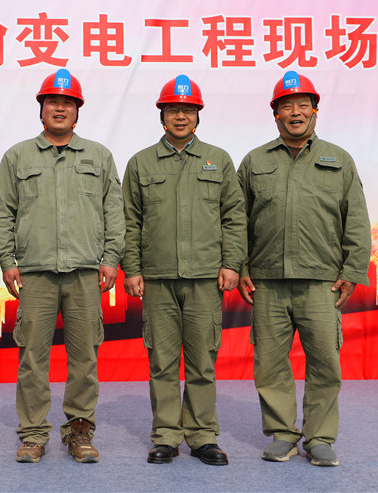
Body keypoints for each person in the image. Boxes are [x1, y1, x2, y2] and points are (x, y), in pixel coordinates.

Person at [237, 71, 371, 467]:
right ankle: (283, 434)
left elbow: (356, 218)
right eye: (286, 106)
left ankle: (320, 438)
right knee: (270, 364)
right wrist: (240, 266)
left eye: (302, 105)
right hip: (268, 282)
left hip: (321, 281)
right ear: (275, 113)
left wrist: (353, 268)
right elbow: (237, 220)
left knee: (325, 363)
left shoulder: (339, 160)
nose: (294, 112)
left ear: (314, 111)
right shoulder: (255, 161)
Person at [0, 69, 125, 463]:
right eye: (53, 102)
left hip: (85, 272)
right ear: (42, 109)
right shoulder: (18, 156)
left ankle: (79, 432)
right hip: (35, 273)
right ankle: (33, 434)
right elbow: (2, 213)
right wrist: (7, 260)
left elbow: (113, 211)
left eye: (68, 103)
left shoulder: (98, 156)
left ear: (78, 111)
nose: (60, 108)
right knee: (32, 359)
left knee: (85, 358)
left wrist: (111, 258)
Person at [122, 75, 246, 466]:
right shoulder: (141, 162)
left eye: (187, 110)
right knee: (162, 362)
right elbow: (130, 221)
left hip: (205, 279)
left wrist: (231, 263)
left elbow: (233, 217)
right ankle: (165, 436)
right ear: (162, 116)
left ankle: (203, 436)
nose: (180, 116)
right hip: (157, 279)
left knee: (202, 362)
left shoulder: (218, 160)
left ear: (197, 115)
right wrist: (132, 269)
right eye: (173, 110)